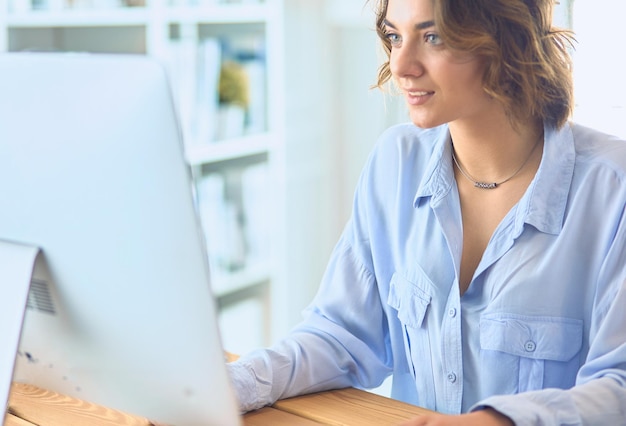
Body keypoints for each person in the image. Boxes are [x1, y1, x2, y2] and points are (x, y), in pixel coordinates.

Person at [227, 0, 626, 424]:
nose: (401, 66)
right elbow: (341, 334)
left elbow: (618, 385)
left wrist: (493, 422)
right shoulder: (394, 162)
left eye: (433, 37)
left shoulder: (612, 190)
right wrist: (239, 383)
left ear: (506, 39)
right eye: (396, 36)